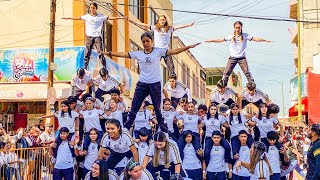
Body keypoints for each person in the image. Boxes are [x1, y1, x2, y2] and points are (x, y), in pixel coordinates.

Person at [100, 31, 200, 130]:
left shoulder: (158, 51)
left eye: (147, 41)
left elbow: (174, 51)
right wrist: (108, 53)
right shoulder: (139, 53)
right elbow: (123, 54)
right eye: (143, 42)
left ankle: (163, 129)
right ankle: (126, 127)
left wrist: (188, 47)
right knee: (134, 106)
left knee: (157, 109)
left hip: (155, 84)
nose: (145, 44)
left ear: (152, 41)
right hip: (142, 84)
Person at [205, 21, 272, 85]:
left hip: (242, 58)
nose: (237, 29)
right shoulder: (231, 36)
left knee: (247, 72)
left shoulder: (245, 35)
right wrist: (211, 40)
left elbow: (256, 39)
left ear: (241, 28)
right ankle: (223, 85)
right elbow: (220, 40)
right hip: (232, 58)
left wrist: (265, 40)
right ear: (234, 28)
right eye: (236, 28)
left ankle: (252, 84)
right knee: (226, 73)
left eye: (239, 28)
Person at [62, 2, 125, 69]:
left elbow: (109, 17)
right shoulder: (87, 16)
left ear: (96, 9)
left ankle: (104, 67)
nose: (92, 9)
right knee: (87, 53)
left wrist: (120, 17)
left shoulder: (100, 16)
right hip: (89, 37)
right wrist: (67, 18)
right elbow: (78, 18)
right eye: (91, 8)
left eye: (93, 8)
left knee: (100, 52)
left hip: (97, 37)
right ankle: (85, 68)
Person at [129, 15, 195, 76]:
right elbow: (144, 25)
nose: (162, 21)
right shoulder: (155, 28)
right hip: (157, 50)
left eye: (163, 20)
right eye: (161, 20)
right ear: (158, 21)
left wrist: (189, 25)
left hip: (165, 50)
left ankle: (172, 78)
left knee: (171, 66)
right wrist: (133, 21)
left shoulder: (169, 29)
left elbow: (180, 26)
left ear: (165, 21)